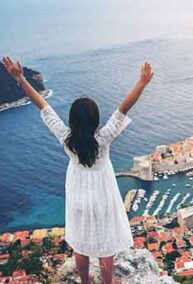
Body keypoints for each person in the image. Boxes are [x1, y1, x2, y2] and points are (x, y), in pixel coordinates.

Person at [2, 56, 154, 284]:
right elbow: (124, 107)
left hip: (78, 197)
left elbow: (43, 106)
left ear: (72, 121)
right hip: (102, 196)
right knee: (106, 247)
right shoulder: (103, 140)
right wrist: (141, 83)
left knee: (80, 245)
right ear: (96, 121)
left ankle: (84, 281)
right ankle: (107, 282)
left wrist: (20, 78)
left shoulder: (66, 139)